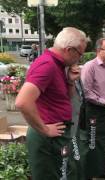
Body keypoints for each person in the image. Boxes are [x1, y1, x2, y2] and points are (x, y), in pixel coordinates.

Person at [15, 27, 87, 180]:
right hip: (47, 138)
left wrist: (69, 82)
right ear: (69, 50)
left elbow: (64, 98)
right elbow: (22, 102)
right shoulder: (47, 65)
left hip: (56, 135)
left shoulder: (58, 65)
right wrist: (45, 130)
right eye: (80, 54)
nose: (79, 59)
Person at [80, 38, 105, 179]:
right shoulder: (89, 67)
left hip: (104, 110)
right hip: (92, 110)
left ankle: (100, 170)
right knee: (92, 141)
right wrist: (104, 101)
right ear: (98, 50)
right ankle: (89, 173)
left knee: (103, 140)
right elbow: (86, 91)